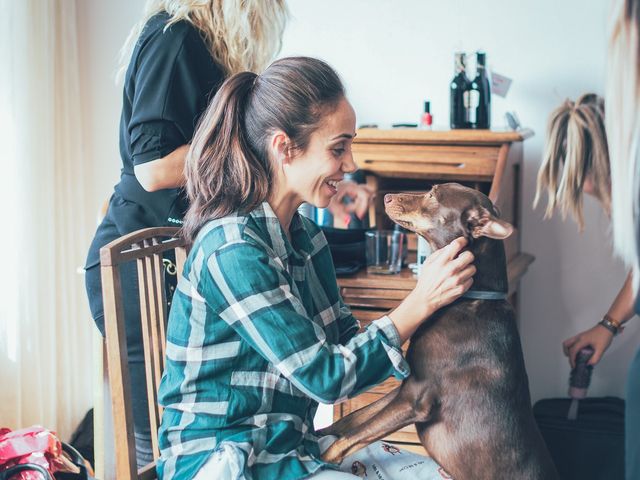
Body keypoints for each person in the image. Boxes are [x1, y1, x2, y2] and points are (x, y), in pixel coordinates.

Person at [157, 56, 476, 480]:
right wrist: (419, 302)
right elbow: (326, 378)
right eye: (338, 147)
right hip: (223, 461)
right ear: (284, 147)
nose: (350, 164)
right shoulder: (232, 250)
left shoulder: (306, 236)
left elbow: (345, 346)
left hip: (289, 447)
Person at [83, 0, 288, 467]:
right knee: (161, 450)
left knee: (194, 443)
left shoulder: (209, 48)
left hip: (176, 256)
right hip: (141, 268)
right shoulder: (174, 37)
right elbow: (153, 168)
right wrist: (248, 152)